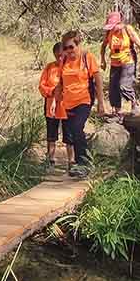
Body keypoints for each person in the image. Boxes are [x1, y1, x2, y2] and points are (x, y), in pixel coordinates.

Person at [55, 31, 105, 178]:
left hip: (84, 99)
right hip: (68, 102)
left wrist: (101, 103)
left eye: (71, 47)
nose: (69, 51)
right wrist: (56, 101)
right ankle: (79, 164)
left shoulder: (86, 57)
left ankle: (84, 162)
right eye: (65, 48)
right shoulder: (63, 61)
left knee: (77, 127)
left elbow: (98, 80)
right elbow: (60, 82)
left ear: (78, 44)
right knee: (73, 133)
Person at [100, 11, 140, 119]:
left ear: (119, 23)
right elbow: (103, 46)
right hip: (114, 62)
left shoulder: (128, 29)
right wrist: (102, 60)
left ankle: (134, 103)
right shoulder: (109, 32)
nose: (112, 28)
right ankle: (117, 111)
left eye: (114, 26)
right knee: (113, 88)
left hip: (128, 61)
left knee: (124, 86)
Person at [38, 42, 73, 169]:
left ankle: (71, 161)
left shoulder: (70, 67)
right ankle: (51, 159)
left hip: (66, 106)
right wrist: (52, 92)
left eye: (62, 56)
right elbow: (42, 86)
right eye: (57, 56)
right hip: (51, 106)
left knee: (69, 134)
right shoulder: (49, 68)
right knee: (51, 134)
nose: (60, 58)